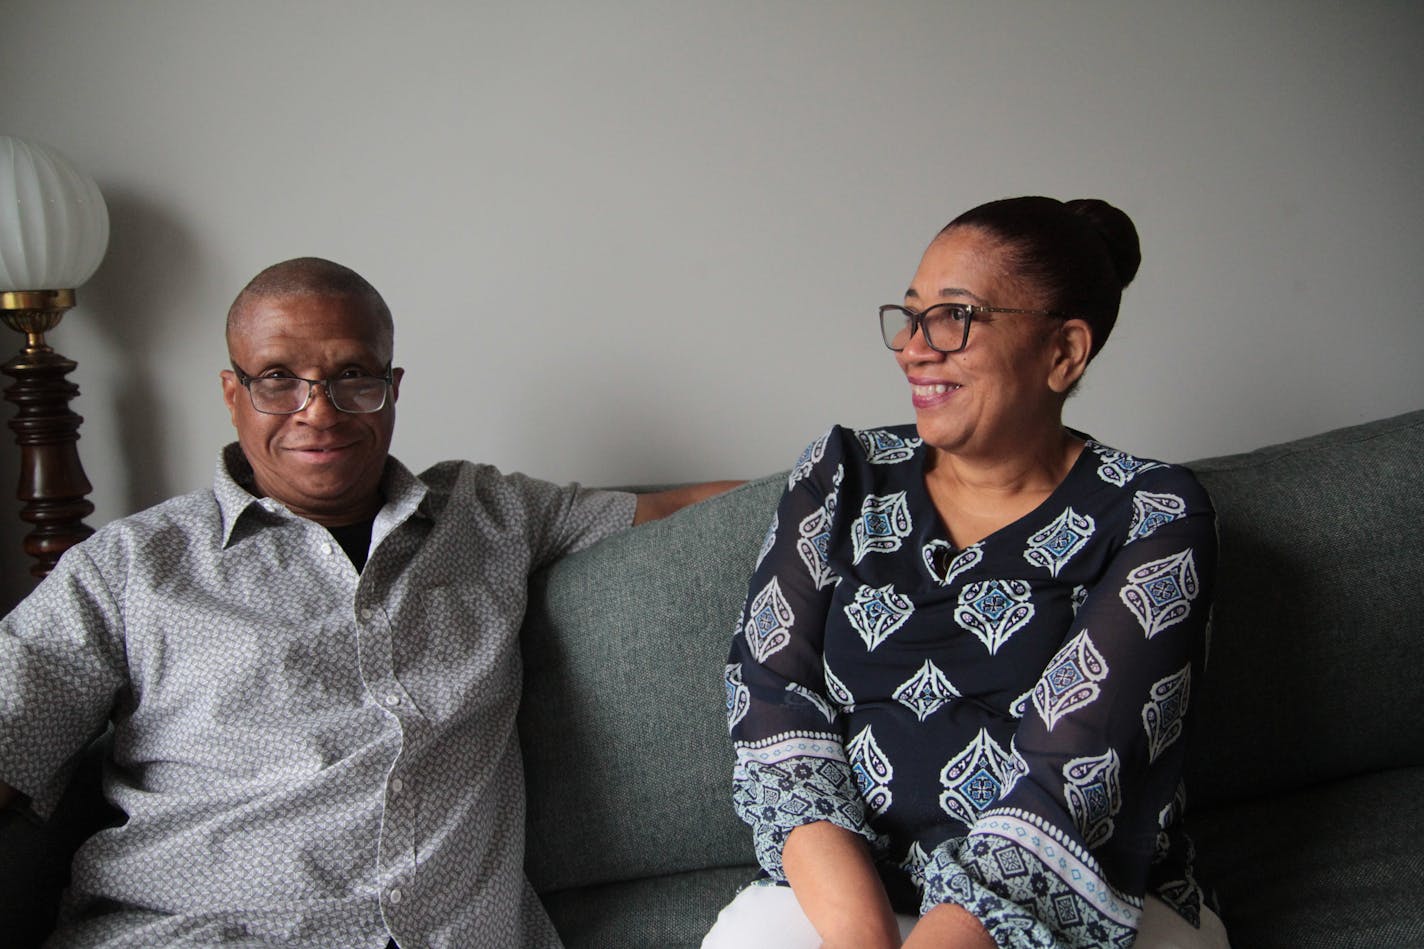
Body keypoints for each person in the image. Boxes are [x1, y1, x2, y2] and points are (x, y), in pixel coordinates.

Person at [0, 257, 737, 948]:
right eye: (279, 378)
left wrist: (847, 469)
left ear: (393, 385)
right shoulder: (132, 565)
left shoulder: (489, 514)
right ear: (233, 393)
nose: (318, 410)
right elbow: (13, 716)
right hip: (193, 931)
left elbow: (681, 509)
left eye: (352, 375)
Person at [706, 197, 1228, 948]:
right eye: (910, 316)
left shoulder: (1155, 514)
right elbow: (772, 704)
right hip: (851, 900)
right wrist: (863, 937)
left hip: (1075, 906)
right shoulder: (842, 474)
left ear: (1063, 353)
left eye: (953, 317)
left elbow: (1074, 783)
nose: (913, 348)